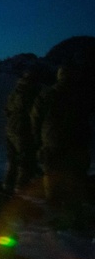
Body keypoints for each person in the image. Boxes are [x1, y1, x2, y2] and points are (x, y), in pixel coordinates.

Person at [30, 65, 91, 208]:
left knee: (52, 173)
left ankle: (54, 206)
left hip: (53, 140)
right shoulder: (82, 95)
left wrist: (38, 138)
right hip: (77, 141)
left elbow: (35, 118)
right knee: (76, 175)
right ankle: (75, 210)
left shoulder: (47, 94)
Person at [3, 69, 42, 193]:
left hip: (11, 127)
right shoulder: (33, 92)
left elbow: (7, 109)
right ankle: (21, 187)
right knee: (25, 158)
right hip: (24, 128)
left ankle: (8, 184)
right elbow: (36, 113)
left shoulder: (15, 92)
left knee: (12, 158)